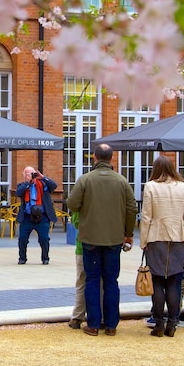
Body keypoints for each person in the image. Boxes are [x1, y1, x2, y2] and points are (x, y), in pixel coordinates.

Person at [67, 144, 138, 337]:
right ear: (111, 158)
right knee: (111, 281)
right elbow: (132, 209)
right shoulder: (122, 181)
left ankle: (93, 323)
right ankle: (111, 324)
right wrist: (128, 233)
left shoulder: (85, 180)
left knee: (91, 280)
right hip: (114, 239)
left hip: (90, 238)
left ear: (94, 158)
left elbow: (72, 203)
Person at [140, 156, 184, 337]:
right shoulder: (183, 187)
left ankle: (159, 323)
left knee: (157, 281)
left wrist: (143, 240)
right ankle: (173, 322)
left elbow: (146, 216)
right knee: (174, 282)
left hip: (156, 236)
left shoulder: (150, 186)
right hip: (178, 236)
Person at [14, 166, 58, 265]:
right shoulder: (23, 185)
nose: (32, 176)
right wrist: (28, 182)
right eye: (29, 174)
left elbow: (54, 186)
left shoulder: (43, 184)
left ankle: (45, 258)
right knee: (22, 239)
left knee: (44, 239)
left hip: (42, 217)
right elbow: (18, 192)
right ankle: (22, 258)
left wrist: (42, 177)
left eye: (33, 173)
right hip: (27, 217)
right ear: (25, 176)